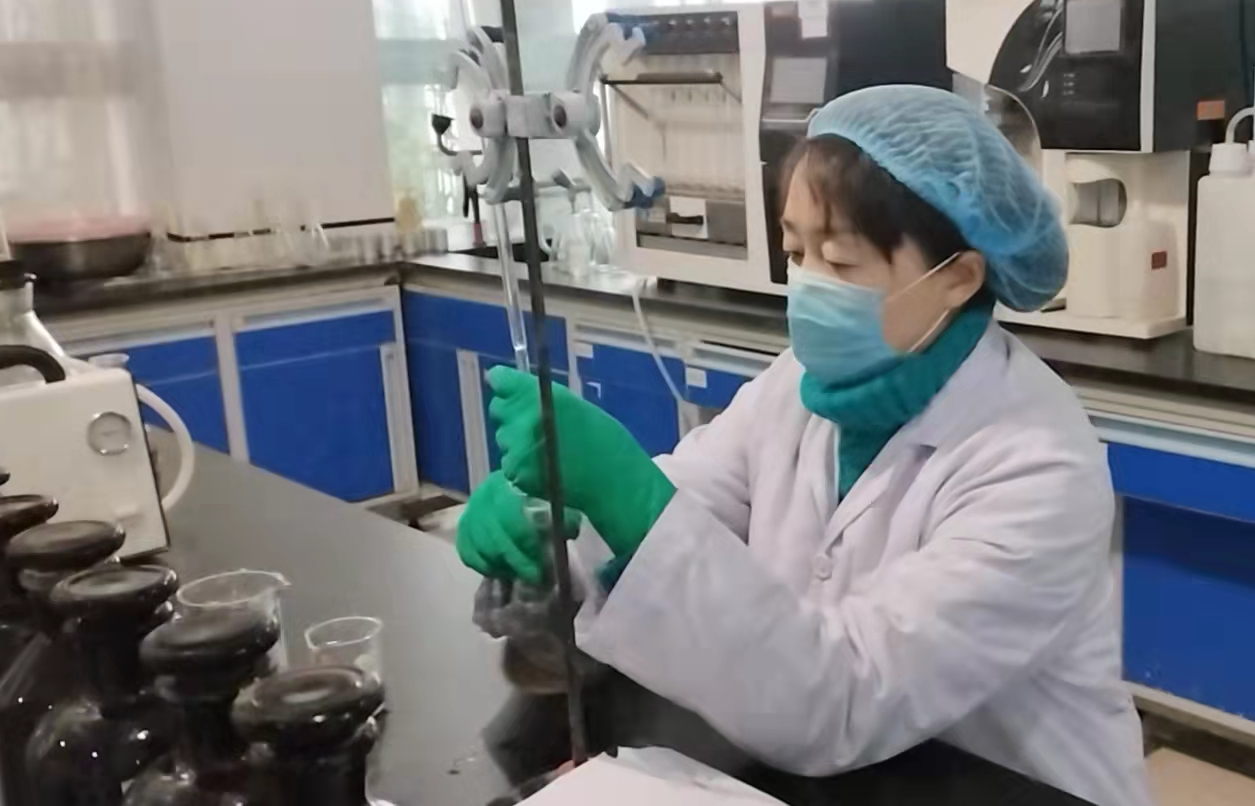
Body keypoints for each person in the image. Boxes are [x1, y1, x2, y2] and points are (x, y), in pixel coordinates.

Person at [456, 84, 1152, 806]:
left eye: (842, 262)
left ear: (958, 278)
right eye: (796, 250)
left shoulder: (1037, 464)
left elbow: (847, 696)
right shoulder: (800, 385)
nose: (809, 285)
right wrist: (560, 539)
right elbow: (687, 509)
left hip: (1017, 788)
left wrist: (625, 492)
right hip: (852, 775)